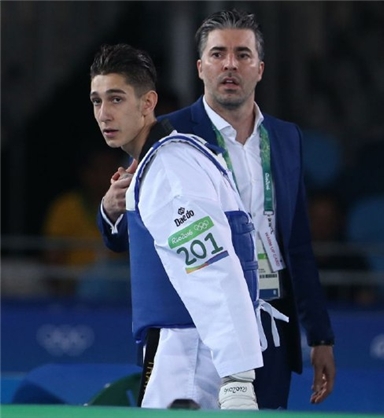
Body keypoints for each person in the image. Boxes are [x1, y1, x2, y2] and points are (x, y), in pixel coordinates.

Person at [96, 9, 335, 409]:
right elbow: (129, 234)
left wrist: (320, 335)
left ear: (260, 68)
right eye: (218, 53)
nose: (230, 64)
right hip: (194, 323)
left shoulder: (285, 138)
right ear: (200, 67)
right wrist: (111, 208)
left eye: (242, 54)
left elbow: (296, 243)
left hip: (271, 315)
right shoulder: (164, 134)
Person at [90, 43, 264, 410]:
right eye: (97, 101)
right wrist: (111, 207)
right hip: (187, 346)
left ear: (148, 102)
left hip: (191, 351)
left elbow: (212, 269)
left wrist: (237, 377)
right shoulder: (160, 162)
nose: (104, 114)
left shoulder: (170, 169)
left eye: (117, 99)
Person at [41, 147, 129, 298]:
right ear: (85, 173)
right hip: (75, 288)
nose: (105, 176)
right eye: (99, 170)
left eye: (110, 169)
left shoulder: (131, 206)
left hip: (121, 283)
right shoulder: (65, 207)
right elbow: (53, 258)